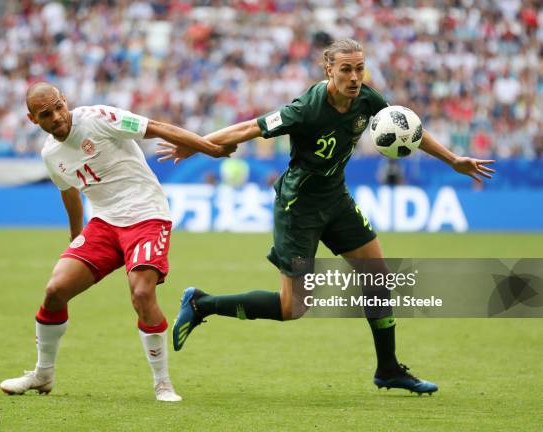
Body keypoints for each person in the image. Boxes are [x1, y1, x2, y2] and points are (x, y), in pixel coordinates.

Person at [157, 39, 495, 395]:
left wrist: (453, 159)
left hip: (336, 200)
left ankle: (389, 368)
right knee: (293, 307)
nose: (354, 77)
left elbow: (408, 128)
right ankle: (201, 303)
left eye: (359, 69)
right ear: (328, 69)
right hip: (299, 209)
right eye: (346, 69)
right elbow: (248, 129)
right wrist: (194, 143)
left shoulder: (368, 98)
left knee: (378, 279)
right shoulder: (306, 108)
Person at [0, 82, 233, 401]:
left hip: (147, 214)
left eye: (58, 107)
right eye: (46, 114)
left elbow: (156, 127)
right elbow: (68, 192)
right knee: (55, 290)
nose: (56, 117)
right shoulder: (50, 154)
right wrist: (75, 236)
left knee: (141, 292)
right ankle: (43, 374)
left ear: (65, 101)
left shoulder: (98, 117)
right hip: (105, 223)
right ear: (32, 120)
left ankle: (162, 383)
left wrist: (211, 148)